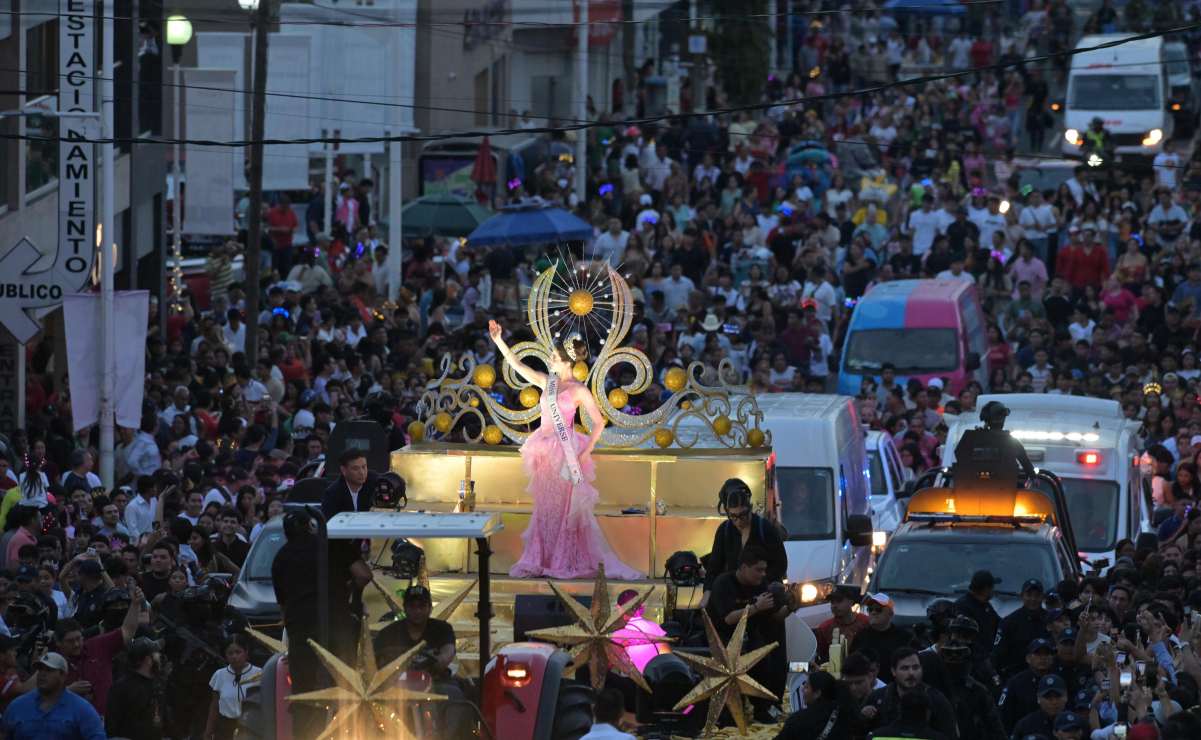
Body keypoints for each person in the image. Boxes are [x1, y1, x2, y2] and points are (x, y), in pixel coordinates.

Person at [487, 319, 639, 579]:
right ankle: (542, 558)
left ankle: (562, 560)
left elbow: (600, 422)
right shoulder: (548, 382)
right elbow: (517, 364)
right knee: (546, 509)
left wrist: (586, 451)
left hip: (566, 452)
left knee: (565, 510)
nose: (551, 361)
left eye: (555, 357)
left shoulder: (579, 390)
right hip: (545, 451)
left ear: (567, 361)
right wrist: (499, 340)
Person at [373, 585, 471, 740]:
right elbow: (374, 661)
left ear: (430, 608)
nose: (417, 611)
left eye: (422, 606)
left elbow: (448, 651)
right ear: (405, 608)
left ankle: (447, 736)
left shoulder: (442, 629)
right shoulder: (388, 633)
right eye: (412, 606)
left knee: (454, 695)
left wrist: (441, 660)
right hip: (397, 685)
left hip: (436, 681)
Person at [705, 546, 788, 721]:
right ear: (743, 568)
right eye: (758, 570)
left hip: (749, 636)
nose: (763, 574)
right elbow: (728, 619)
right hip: (722, 638)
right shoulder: (723, 584)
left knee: (764, 660)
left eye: (764, 570)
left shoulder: (761, 586)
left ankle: (762, 709)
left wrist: (792, 606)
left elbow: (775, 617)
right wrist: (755, 607)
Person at [703, 478, 787, 598]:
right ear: (727, 511)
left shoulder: (765, 528)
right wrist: (707, 594)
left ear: (750, 508)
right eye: (733, 516)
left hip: (763, 595)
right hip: (734, 596)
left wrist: (760, 582)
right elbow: (714, 568)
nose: (738, 521)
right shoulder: (724, 530)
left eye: (743, 515)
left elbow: (781, 564)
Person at [0, 652, 106, 740]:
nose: (42, 674)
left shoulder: (82, 709)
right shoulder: (17, 706)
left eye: (49, 670)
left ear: (63, 675)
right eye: (40, 669)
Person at [861, 648, 957, 739]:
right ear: (893, 671)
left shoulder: (936, 700)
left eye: (915, 668)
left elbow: (950, 734)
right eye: (904, 668)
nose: (911, 673)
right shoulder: (878, 698)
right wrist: (863, 717)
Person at [952, 401, 1035, 484]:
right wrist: (1033, 477)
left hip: (970, 486)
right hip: (1005, 488)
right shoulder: (1011, 441)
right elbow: (1025, 463)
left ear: (986, 419)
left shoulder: (970, 437)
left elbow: (959, 455)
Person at [104, 636, 165, 740]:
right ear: (148, 660)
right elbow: (111, 727)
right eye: (156, 654)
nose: (159, 657)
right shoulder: (121, 687)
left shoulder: (156, 685)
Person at [204, 635, 261, 740]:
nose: (234, 656)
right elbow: (214, 706)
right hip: (224, 728)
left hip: (250, 727)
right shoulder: (219, 675)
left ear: (246, 652)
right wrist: (208, 732)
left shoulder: (259, 674)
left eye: (238, 652)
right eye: (230, 653)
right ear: (225, 655)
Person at [850, 595, 913, 683]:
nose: (873, 612)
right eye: (870, 609)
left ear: (890, 614)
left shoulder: (905, 637)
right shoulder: (860, 636)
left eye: (878, 609)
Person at [775, 670, 849, 739]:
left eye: (806, 687)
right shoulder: (845, 713)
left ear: (817, 693)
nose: (802, 689)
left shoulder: (797, 721)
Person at [814, 586, 870, 663]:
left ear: (851, 602)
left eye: (839, 601)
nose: (834, 606)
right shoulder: (824, 628)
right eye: (832, 602)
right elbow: (822, 656)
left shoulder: (866, 622)